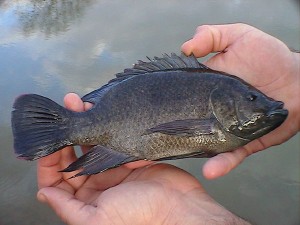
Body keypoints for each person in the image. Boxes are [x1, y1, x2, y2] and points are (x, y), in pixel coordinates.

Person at [36, 23, 300, 225]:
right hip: (121, 137)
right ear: (224, 102)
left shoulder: (222, 103)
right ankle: (64, 129)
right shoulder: (218, 113)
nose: (263, 105)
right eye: (251, 98)